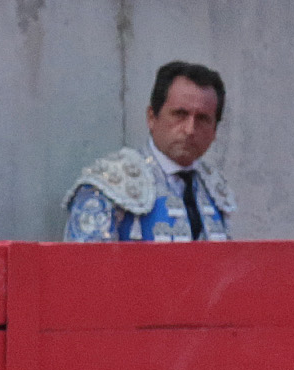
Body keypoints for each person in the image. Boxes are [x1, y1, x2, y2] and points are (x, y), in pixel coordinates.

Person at [64, 60, 234, 242]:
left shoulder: (214, 190)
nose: (190, 129)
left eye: (202, 119)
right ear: (152, 118)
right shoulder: (109, 184)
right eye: (180, 114)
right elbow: (84, 268)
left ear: (215, 130)